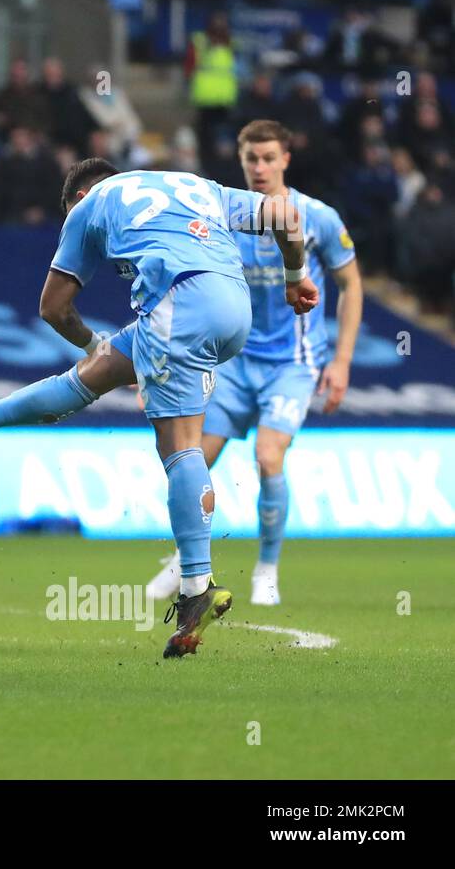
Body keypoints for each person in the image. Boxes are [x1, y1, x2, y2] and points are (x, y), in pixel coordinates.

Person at [0, 160, 319, 659]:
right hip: (235, 308)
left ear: (78, 196)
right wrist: (295, 276)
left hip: (181, 303)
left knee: (180, 445)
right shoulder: (192, 184)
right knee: (92, 377)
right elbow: (287, 216)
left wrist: (89, 340)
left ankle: (196, 589)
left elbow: (53, 308)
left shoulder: (88, 207)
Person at [145, 120, 362, 606]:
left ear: (286, 159)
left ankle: (266, 568)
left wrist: (343, 359)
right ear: (241, 162)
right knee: (193, 458)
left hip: (292, 363)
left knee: (268, 457)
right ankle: (186, 560)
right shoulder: (223, 216)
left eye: (269, 159)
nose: (260, 168)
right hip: (233, 365)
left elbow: (351, 283)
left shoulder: (317, 217)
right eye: (251, 160)